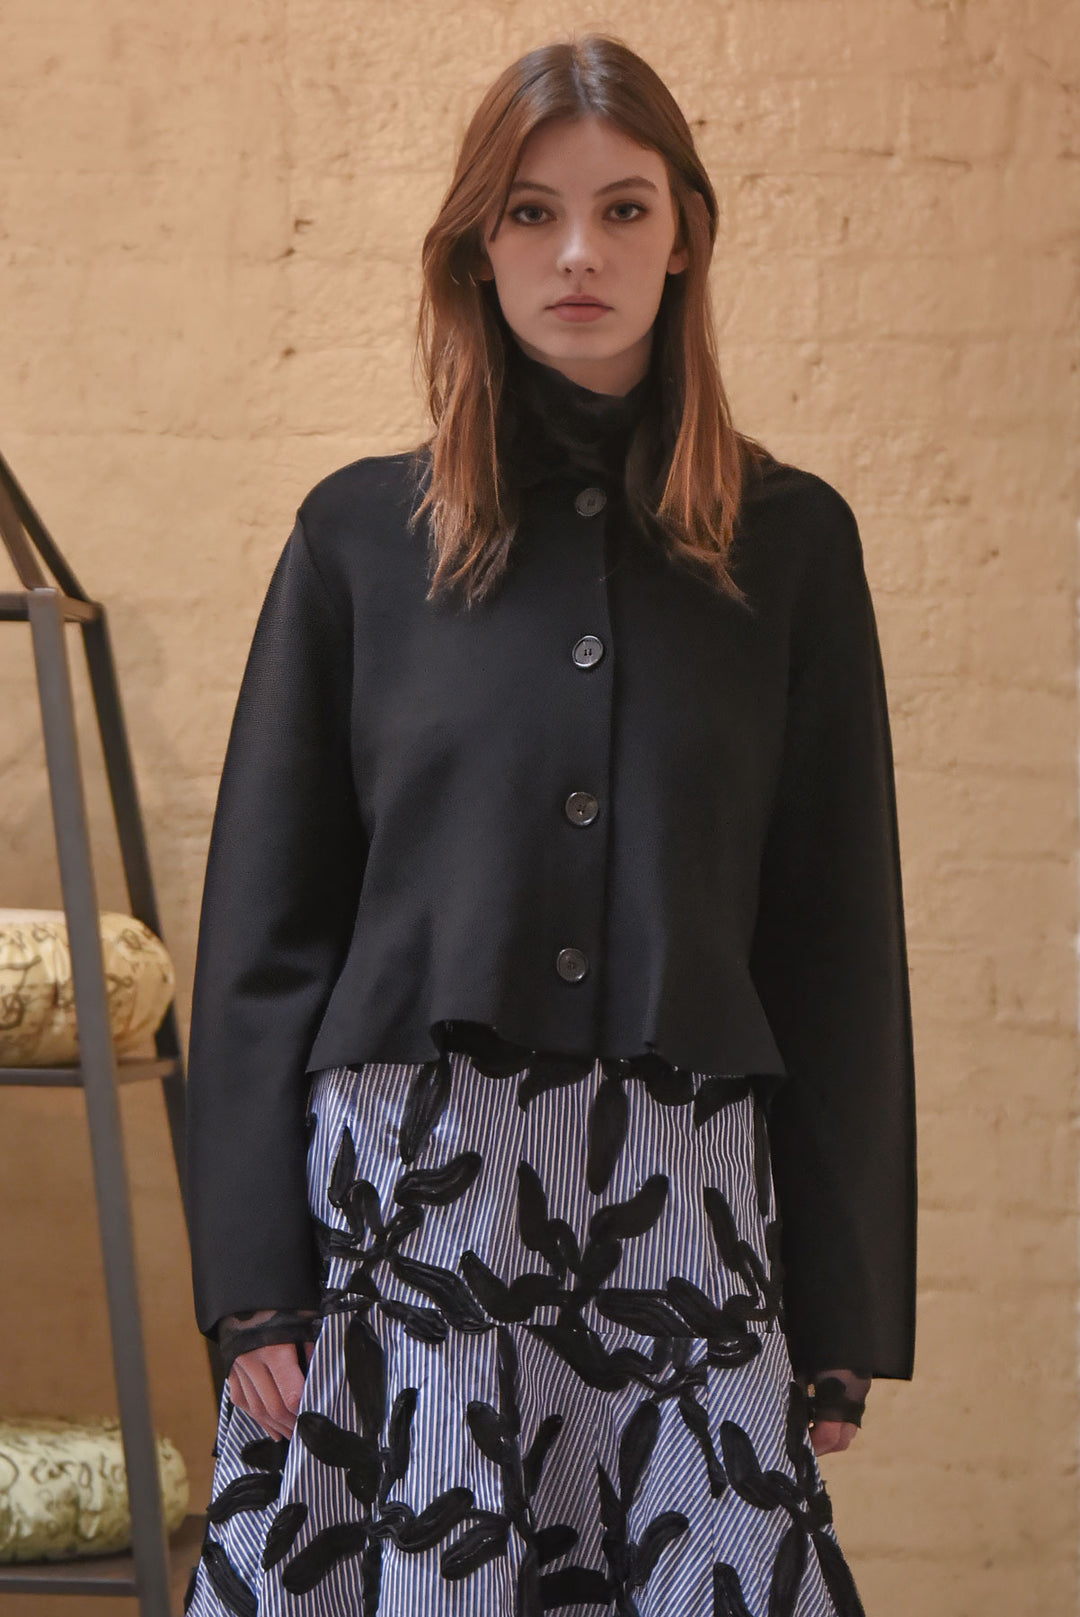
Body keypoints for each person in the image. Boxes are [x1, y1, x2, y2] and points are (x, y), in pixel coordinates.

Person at [182, 32, 915, 1617]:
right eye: (531, 212)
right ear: (476, 246)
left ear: (685, 236)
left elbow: (836, 934)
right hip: (409, 1220)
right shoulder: (358, 541)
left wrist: (844, 1304)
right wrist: (253, 1286)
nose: (579, 251)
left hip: (684, 1218)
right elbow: (262, 937)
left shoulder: (791, 547)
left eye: (622, 209)